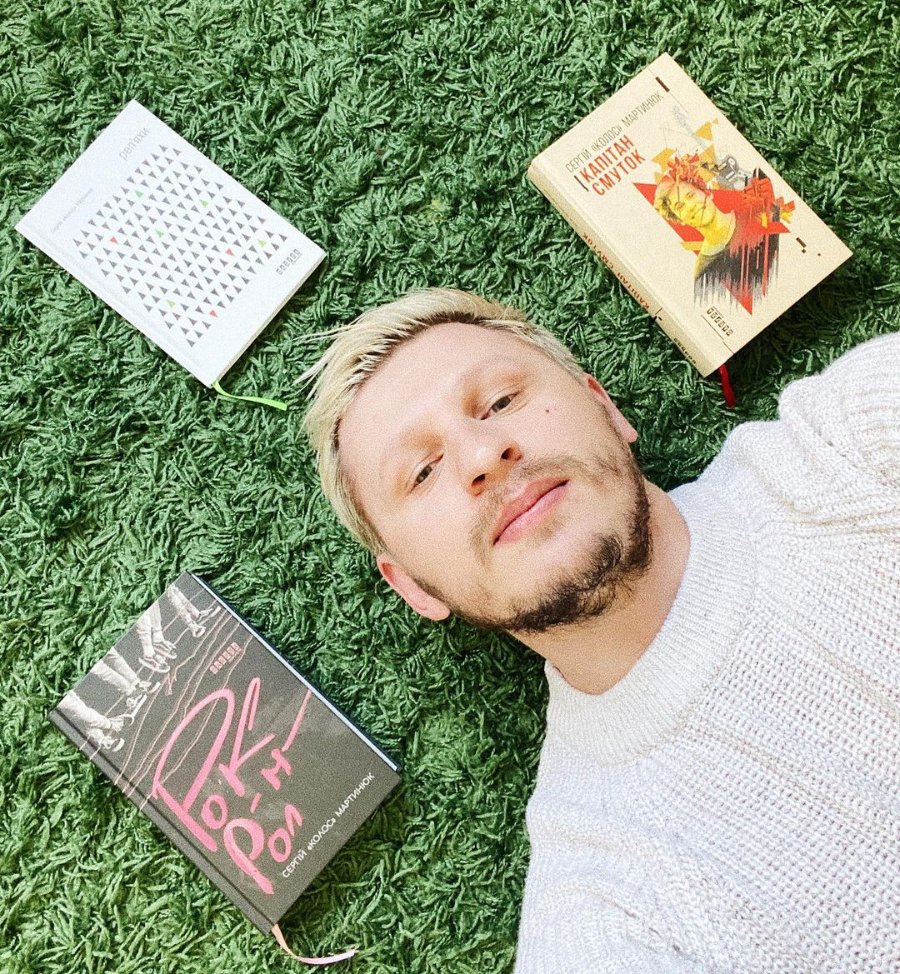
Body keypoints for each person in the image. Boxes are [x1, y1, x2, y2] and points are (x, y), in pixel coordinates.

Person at [302, 287, 900, 973]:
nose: (483, 454)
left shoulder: (852, 439)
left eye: (500, 401)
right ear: (413, 586)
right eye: (422, 471)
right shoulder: (596, 919)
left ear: (606, 408)